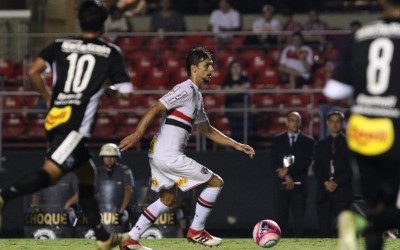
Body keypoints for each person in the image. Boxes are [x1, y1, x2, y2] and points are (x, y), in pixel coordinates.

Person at [0, 1, 134, 249]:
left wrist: (47, 97)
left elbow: (33, 71)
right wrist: (107, 89)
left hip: (55, 118)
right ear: (103, 24)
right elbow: (125, 92)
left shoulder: (60, 45)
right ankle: (3, 196)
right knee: (50, 175)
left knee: (87, 176)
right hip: (74, 126)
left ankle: (103, 238)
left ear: (80, 22)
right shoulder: (110, 52)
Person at [118, 46, 255, 250]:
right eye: (207, 65)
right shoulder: (186, 89)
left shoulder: (196, 95)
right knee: (216, 182)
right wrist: (138, 134)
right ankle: (197, 231)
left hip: (158, 154)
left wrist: (237, 145)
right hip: (168, 155)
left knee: (167, 199)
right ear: (194, 68)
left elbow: (207, 130)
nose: (212, 70)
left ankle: (131, 239)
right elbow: (156, 107)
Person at [323, 0, 400, 249]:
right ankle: (359, 222)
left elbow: (333, 92)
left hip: (361, 130)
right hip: (392, 131)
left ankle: (357, 220)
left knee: (374, 201)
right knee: (385, 209)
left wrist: (363, 101)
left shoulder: (361, 35)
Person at [270, 111, 314, 237]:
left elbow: (306, 162)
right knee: (280, 219)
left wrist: (287, 171)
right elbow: (273, 162)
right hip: (280, 187)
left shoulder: (308, 141)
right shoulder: (277, 140)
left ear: (300, 123)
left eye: (297, 120)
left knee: (298, 220)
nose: (294, 123)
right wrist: (286, 176)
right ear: (287, 122)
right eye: (292, 120)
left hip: (300, 187)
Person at [313, 111, 353, 238]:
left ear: (342, 123)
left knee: (344, 233)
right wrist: (325, 182)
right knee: (323, 232)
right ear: (327, 123)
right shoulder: (320, 145)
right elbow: (316, 168)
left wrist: (336, 183)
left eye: (338, 121)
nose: (335, 124)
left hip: (342, 193)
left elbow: (351, 169)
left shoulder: (350, 144)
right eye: (332, 121)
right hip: (323, 193)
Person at [96, 143, 135, 231]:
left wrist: (121, 210)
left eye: (112, 156)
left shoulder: (124, 170)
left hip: (120, 209)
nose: (108, 159)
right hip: (101, 210)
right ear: (102, 158)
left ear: (116, 157)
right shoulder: (98, 172)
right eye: (106, 156)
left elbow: (129, 190)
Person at [222, 60, 252, 142]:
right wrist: (239, 88)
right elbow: (225, 91)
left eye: (237, 67)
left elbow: (246, 87)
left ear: (240, 69)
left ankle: (243, 146)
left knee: (244, 128)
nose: (235, 69)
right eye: (233, 67)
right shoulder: (227, 79)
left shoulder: (244, 78)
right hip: (231, 106)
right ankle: (235, 148)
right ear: (230, 69)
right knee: (234, 128)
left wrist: (232, 90)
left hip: (243, 106)